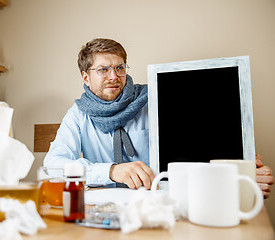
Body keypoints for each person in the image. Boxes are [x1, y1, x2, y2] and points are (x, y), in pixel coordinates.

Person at [44, 38, 273, 198]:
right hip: (107, 208)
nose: (114, 76)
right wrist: (112, 170)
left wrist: (240, 170)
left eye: (119, 67)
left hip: (163, 201)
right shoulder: (78, 115)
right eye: (103, 70)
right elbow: (53, 165)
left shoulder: (155, 98)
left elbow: (199, 146)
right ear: (86, 77)